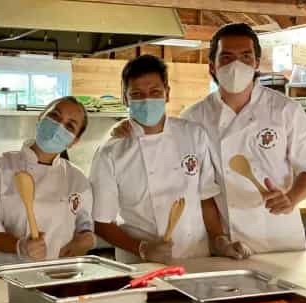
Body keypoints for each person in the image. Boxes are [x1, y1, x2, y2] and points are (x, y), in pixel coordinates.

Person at [113, 23, 306, 258]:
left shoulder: (286, 110)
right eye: (226, 57)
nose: (236, 65)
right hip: (224, 243)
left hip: (280, 239)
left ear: (257, 62)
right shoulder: (194, 117)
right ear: (212, 66)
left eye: (245, 56)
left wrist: (292, 197)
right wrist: (127, 127)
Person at [90, 55, 227, 264]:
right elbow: (101, 222)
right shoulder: (111, 152)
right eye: (137, 94)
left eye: (155, 92)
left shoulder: (193, 134)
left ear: (167, 93)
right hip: (140, 265)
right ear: (125, 98)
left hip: (196, 258)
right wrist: (142, 249)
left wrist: (219, 240)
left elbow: (206, 197)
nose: (147, 100)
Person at [0, 96, 94, 264]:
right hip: (9, 275)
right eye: (55, 116)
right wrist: (19, 246)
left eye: (70, 126)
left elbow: (85, 224)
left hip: (59, 276)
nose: (59, 126)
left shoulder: (77, 178)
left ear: (74, 141)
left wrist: (85, 238)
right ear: (40, 117)